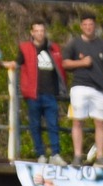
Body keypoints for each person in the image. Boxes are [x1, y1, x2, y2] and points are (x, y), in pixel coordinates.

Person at [62, 17, 103, 165]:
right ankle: (77, 156)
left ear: (95, 26)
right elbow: (65, 63)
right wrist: (81, 63)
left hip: (100, 88)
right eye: (85, 24)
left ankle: (100, 156)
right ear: (81, 26)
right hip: (79, 86)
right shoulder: (74, 43)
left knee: (100, 122)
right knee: (77, 121)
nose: (88, 27)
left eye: (91, 24)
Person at [14, 19, 64, 163]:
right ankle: (40, 154)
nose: (40, 34)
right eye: (37, 31)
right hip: (33, 93)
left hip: (50, 93)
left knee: (53, 124)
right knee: (35, 125)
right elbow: (17, 63)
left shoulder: (53, 48)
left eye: (42, 31)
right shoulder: (25, 48)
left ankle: (55, 154)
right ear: (32, 32)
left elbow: (61, 66)